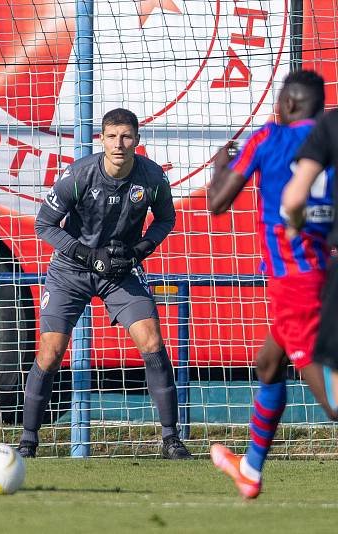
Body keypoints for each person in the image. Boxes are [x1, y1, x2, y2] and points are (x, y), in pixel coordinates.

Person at [19, 108, 191, 459]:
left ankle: (171, 440)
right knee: (50, 352)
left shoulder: (152, 178)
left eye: (126, 136)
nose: (119, 144)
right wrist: (86, 254)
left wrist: (139, 251)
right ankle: (27, 442)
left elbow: (166, 219)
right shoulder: (79, 175)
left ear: (137, 141)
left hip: (120, 271)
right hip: (70, 271)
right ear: (101, 139)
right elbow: (44, 225)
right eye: (112, 136)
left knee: (152, 340)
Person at [207, 70, 336, 499]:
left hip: (293, 281)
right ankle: (250, 469)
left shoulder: (268, 139)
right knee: (267, 364)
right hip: (322, 272)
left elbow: (217, 204)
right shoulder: (330, 142)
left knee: (333, 403)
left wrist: (219, 165)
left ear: (288, 105)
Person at [283, 102, 338, 412]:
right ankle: (252, 462)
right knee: (268, 363)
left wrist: (295, 225)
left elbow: (294, 197)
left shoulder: (331, 125)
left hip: (322, 265)